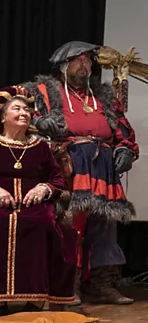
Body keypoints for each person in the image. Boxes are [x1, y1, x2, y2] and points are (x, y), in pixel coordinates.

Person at [31, 42, 139, 306]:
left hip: (103, 167)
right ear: (63, 65)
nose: (84, 65)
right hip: (69, 165)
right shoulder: (45, 92)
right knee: (71, 224)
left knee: (104, 226)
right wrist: (38, 122)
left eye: (87, 60)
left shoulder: (103, 97)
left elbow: (124, 130)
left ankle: (101, 286)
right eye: (77, 60)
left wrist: (126, 149)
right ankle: (68, 286)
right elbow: (21, 117)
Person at [0, 86, 75, 314]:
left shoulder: (40, 147)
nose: (23, 113)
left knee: (43, 224)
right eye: (16, 109)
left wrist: (44, 187)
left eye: (26, 109)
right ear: (3, 116)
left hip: (34, 208)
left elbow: (58, 179)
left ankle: (36, 298)